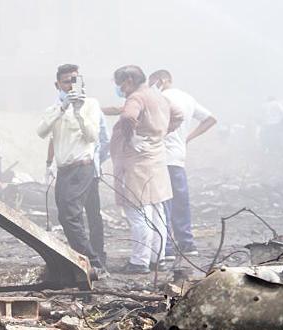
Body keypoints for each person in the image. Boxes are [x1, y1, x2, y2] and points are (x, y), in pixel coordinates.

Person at [109, 65, 183, 274]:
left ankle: (139, 261)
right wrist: (158, 135)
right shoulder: (158, 96)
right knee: (157, 210)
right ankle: (156, 258)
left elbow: (127, 117)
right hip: (156, 160)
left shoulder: (137, 98)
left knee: (138, 212)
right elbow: (178, 115)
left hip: (136, 164)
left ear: (129, 80)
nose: (119, 88)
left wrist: (131, 135)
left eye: (120, 83)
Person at [36, 64, 106, 274]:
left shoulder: (90, 105)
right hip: (64, 169)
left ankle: (93, 264)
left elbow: (93, 136)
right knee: (65, 216)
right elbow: (42, 131)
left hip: (82, 167)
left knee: (73, 215)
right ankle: (85, 260)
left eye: (75, 80)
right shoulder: (54, 109)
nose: (71, 85)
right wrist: (63, 108)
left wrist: (78, 112)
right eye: (67, 81)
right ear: (57, 84)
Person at [148, 70, 217, 260]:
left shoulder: (160, 98)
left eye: (152, 82)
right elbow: (211, 119)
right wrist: (188, 138)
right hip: (178, 157)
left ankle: (167, 247)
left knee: (163, 202)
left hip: (161, 156)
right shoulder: (187, 98)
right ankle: (187, 244)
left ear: (162, 80)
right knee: (180, 201)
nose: (150, 86)